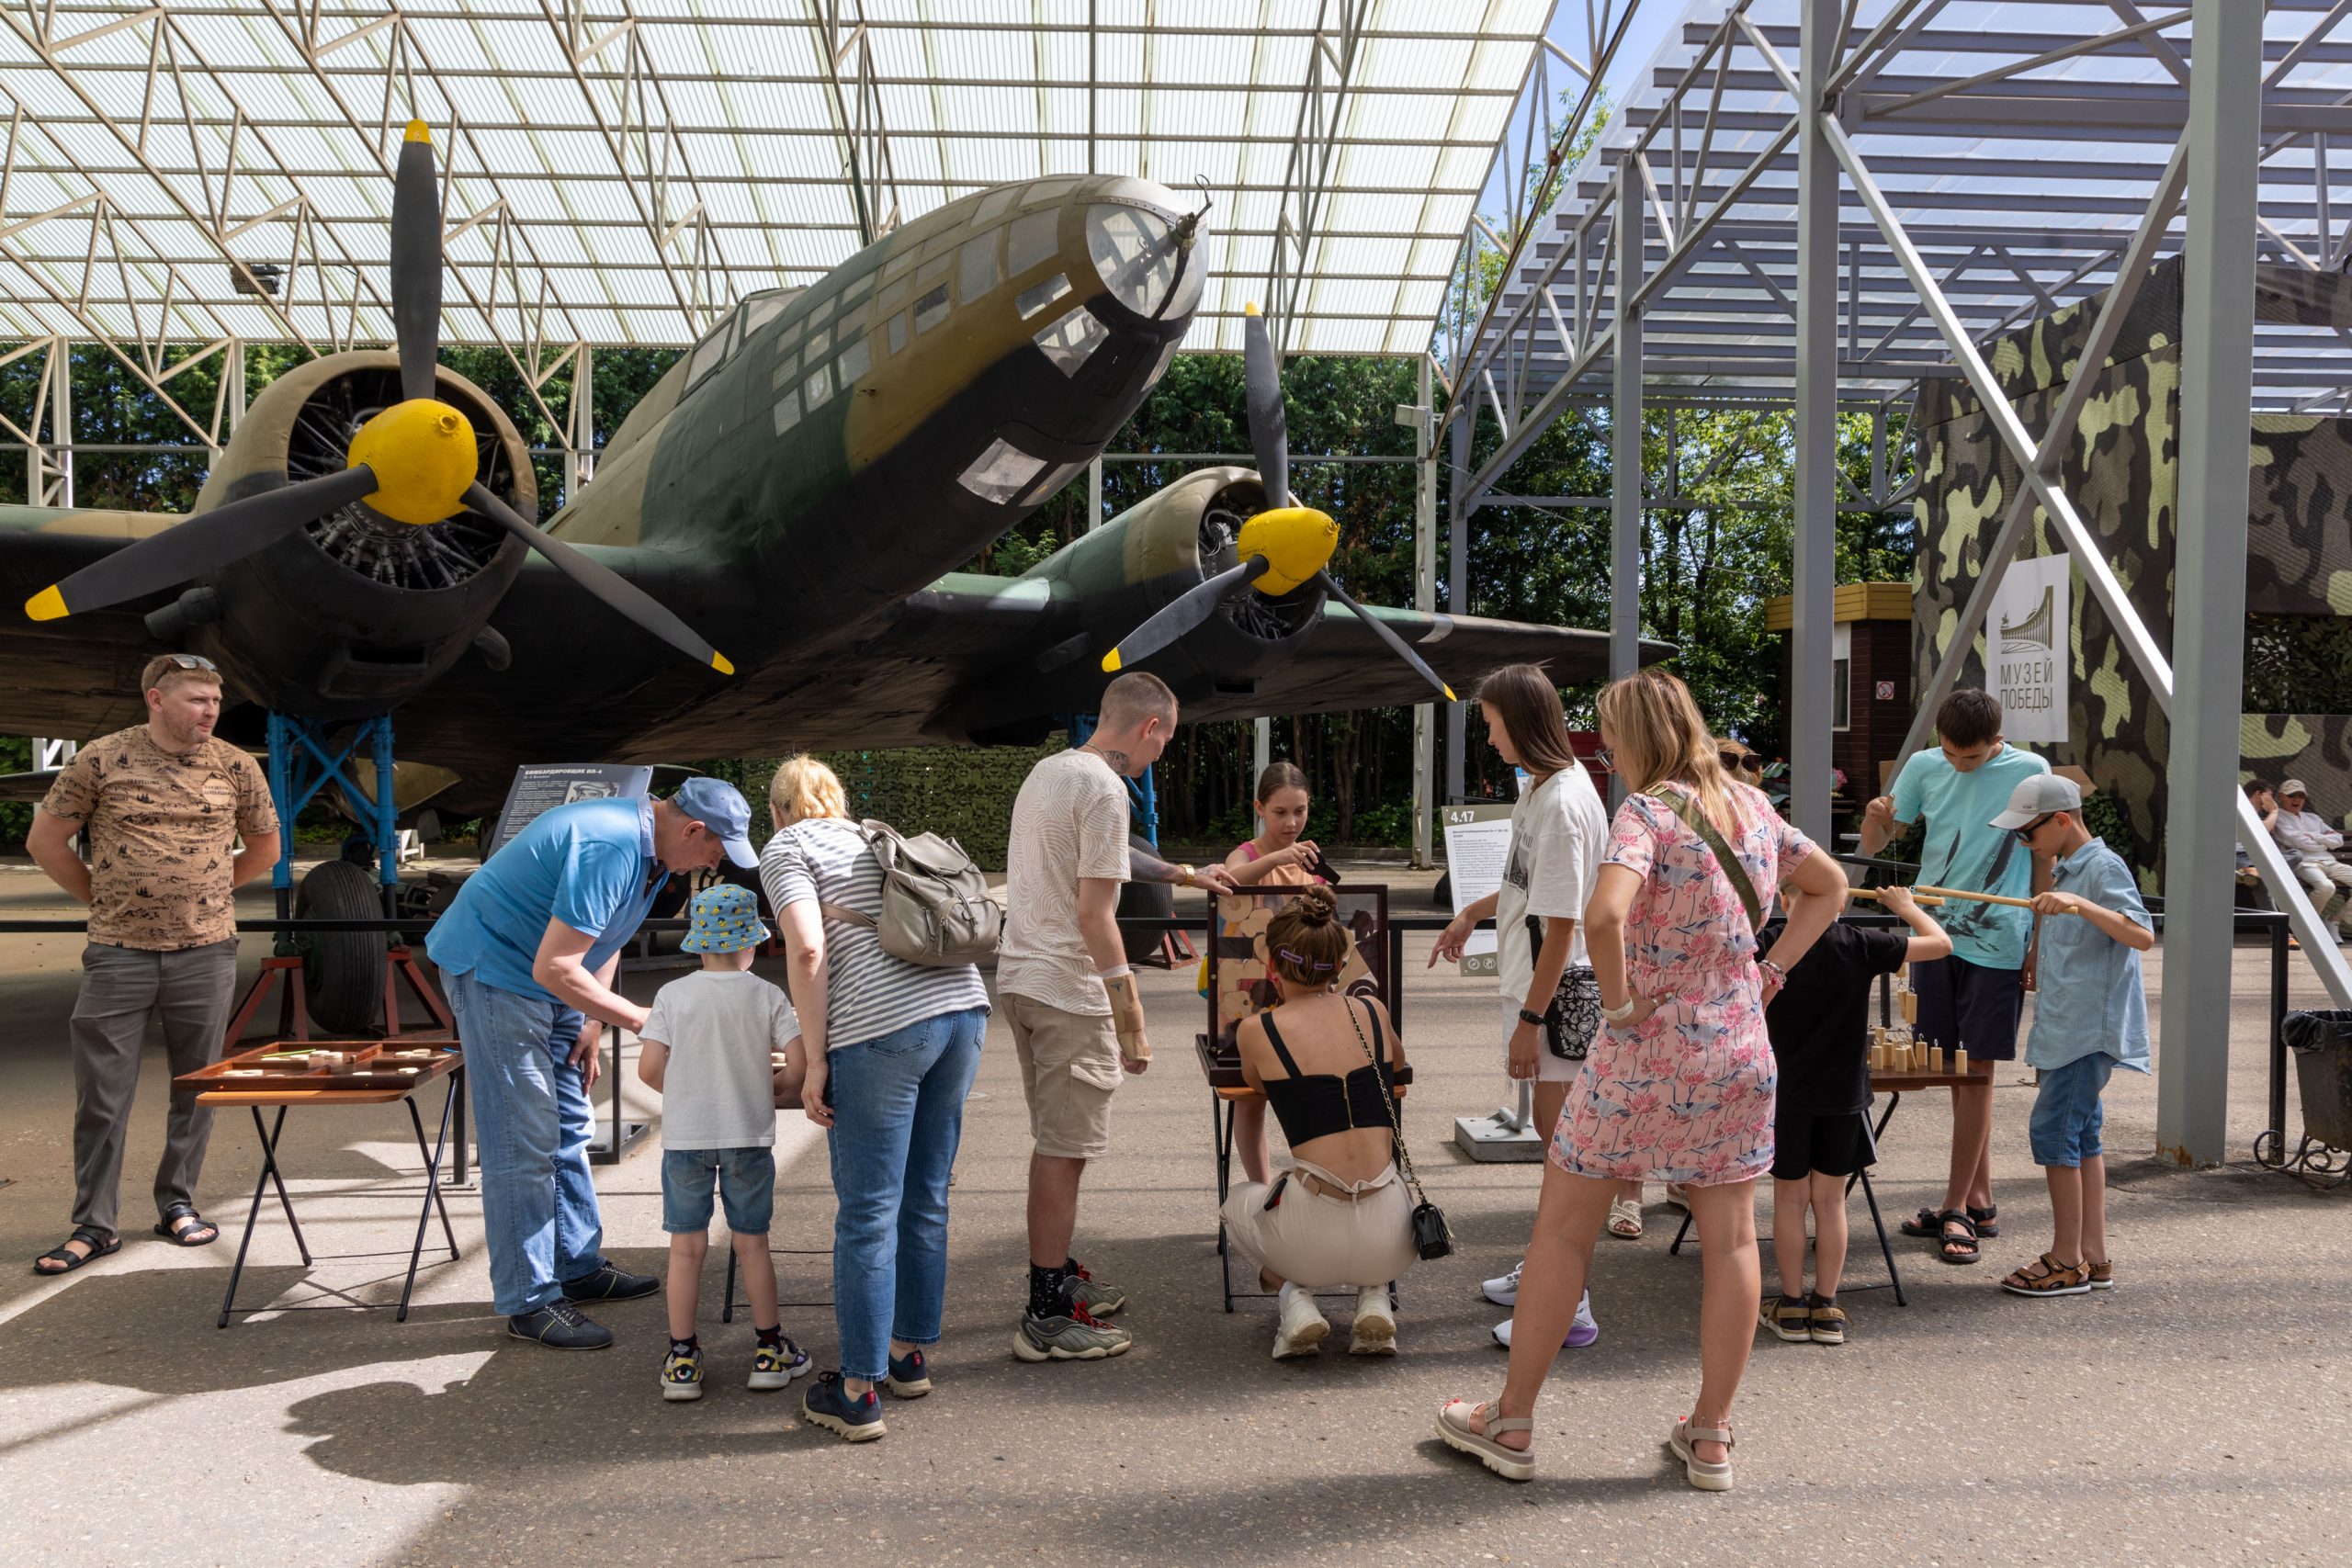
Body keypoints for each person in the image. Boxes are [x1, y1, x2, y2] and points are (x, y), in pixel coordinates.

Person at [1435, 668, 1848, 1491]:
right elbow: (1830, 886)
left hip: (1641, 1056)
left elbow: (1602, 915)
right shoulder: (1753, 808)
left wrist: (1619, 1005)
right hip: (1735, 1050)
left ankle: (1511, 1419)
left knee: (1562, 1231)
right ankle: (1711, 1435)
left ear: (1635, 736)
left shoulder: (1648, 811)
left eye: (1612, 737)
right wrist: (1767, 972)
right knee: (1730, 1238)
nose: (1609, 752)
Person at [425, 776, 756, 1348]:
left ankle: (576, 1267)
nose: (717, 860)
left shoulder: (652, 849)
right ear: (694, 828)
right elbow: (555, 966)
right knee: (523, 1141)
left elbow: (607, 935)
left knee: (570, 1127)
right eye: (715, 848)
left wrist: (593, 1018)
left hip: (546, 981)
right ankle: (529, 1301)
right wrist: (639, 1018)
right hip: (497, 976)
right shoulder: (611, 844)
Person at [997, 671, 1237, 1362]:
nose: (1163, 752)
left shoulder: (1052, 770)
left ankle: (1057, 1270)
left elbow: (1101, 859)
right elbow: (1095, 914)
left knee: (1056, 1139)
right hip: (1069, 989)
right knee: (1064, 1149)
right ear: (1151, 728)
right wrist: (1129, 1014)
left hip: (1023, 978)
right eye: (1168, 739)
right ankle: (1045, 1310)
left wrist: (1184, 874)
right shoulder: (1106, 789)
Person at [759, 755, 993, 1442]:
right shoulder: (871, 835)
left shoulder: (788, 845)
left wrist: (814, 1056)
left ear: (776, 810)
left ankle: (857, 1391)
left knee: (867, 1212)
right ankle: (906, 1355)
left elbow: (806, 950)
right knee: (926, 1194)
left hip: (882, 1030)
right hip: (964, 1012)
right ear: (837, 799)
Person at [28, 654, 277, 1275]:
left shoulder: (236, 764)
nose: (210, 711)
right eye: (196, 699)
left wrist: (211, 893)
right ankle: (95, 1224)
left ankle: (178, 1202)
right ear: (156, 700)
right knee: (102, 1096)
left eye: (214, 701)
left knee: (199, 1087)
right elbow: (45, 840)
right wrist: (102, 898)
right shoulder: (102, 757)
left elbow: (267, 847)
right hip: (119, 953)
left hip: (206, 951)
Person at [1430, 663, 1610, 1344]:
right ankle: (1546, 1270)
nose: (1489, 735)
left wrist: (1530, 1024)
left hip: (1555, 997)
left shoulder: (1562, 803)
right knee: (1556, 1144)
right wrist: (1471, 912)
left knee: (1565, 1154)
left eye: (1493, 723)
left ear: (1521, 721)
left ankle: (1570, 1302)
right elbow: (1522, 885)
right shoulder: (1542, 786)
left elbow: (1562, 927)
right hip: (1536, 987)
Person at [1858, 688, 2049, 1266]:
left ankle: (1957, 1206)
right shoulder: (1922, 765)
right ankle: (1978, 1198)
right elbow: (1877, 846)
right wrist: (1875, 821)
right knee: (1952, 1068)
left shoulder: (2030, 771)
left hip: (1999, 938)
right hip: (1931, 934)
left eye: (1974, 758)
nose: (1961, 766)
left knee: (1978, 1070)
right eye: (1952, 755)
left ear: (1998, 739)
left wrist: (2039, 939)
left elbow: (2043, 859)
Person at [1222, 886, 1417, 1359]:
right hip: (1395, 1234)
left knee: (1235, 1204)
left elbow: (1252, 1093)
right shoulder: (1372, 1011)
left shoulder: (1256, 1030)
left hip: (1310, 1235)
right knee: (1373, 1191)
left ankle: (1294, 1296)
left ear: (1272, 966)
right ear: (1340, 963)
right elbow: (1399, 1073)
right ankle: (1374, 1297)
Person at [637, 884, 811, 1403]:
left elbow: (649, 1069)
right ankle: (768, 1351)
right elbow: (798, 1064)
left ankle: (683, 1359)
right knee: (751, 1243)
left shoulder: (672, 995)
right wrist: (775, 1088)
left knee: (686, 1248)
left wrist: (690, 1092)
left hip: (686, 1141)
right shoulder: (766, 994)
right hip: (747, 1137)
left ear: (698, 943)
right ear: (751, 943)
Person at [1757, 886, 1950, 1348]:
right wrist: (1905, 908)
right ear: (1840, 904)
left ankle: (1791, 1303)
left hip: (1785, 1096)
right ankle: (1826, 1306)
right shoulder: (1860, 943)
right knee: (1830, 1201)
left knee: (1789, 1200)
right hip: (1842, 1095)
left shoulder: (1771, 943)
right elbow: (1942, 944)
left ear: (1785, 900)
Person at [1990, 774, 2151, 1297]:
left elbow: (2141, 934)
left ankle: (2064, 1259)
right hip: (2067, 1024)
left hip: (2086, 1030)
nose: (2023, 842)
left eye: (2027, 832)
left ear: (2061, 820)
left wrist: (2080, 905)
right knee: (2082, 1138)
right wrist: (2040, 945)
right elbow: (2067, 920)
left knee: (2055, 1134)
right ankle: (2094, 1256)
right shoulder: (2066, 867)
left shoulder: (2102, 867)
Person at [1220, 761, 1327, 1189]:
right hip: (1248, 990)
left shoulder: (1311, 860)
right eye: (1280, 812)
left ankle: (1315, 1185)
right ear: (1259, 808)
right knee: (1251, 1101)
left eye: (1299, 811)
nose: (1292, 822)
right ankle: (1262, 1192)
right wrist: (1279, 858)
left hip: (1305, 992)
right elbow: (1229, 882)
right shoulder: (1249, 854)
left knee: (1311, 1092)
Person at [2269, 778, 2352, 921]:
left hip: (2330, 862)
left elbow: (2338, 840)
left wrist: (2314, 836)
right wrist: (2324, 841)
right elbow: (2300, 842)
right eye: (2291, 795)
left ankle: (2336, 920)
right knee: (2327, 888)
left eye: (2301, 796)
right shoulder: (2278, 817)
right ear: (2281, 797)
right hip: (2304, 863)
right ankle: (2308, 927)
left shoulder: (2313, 818)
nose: (2297, 799)